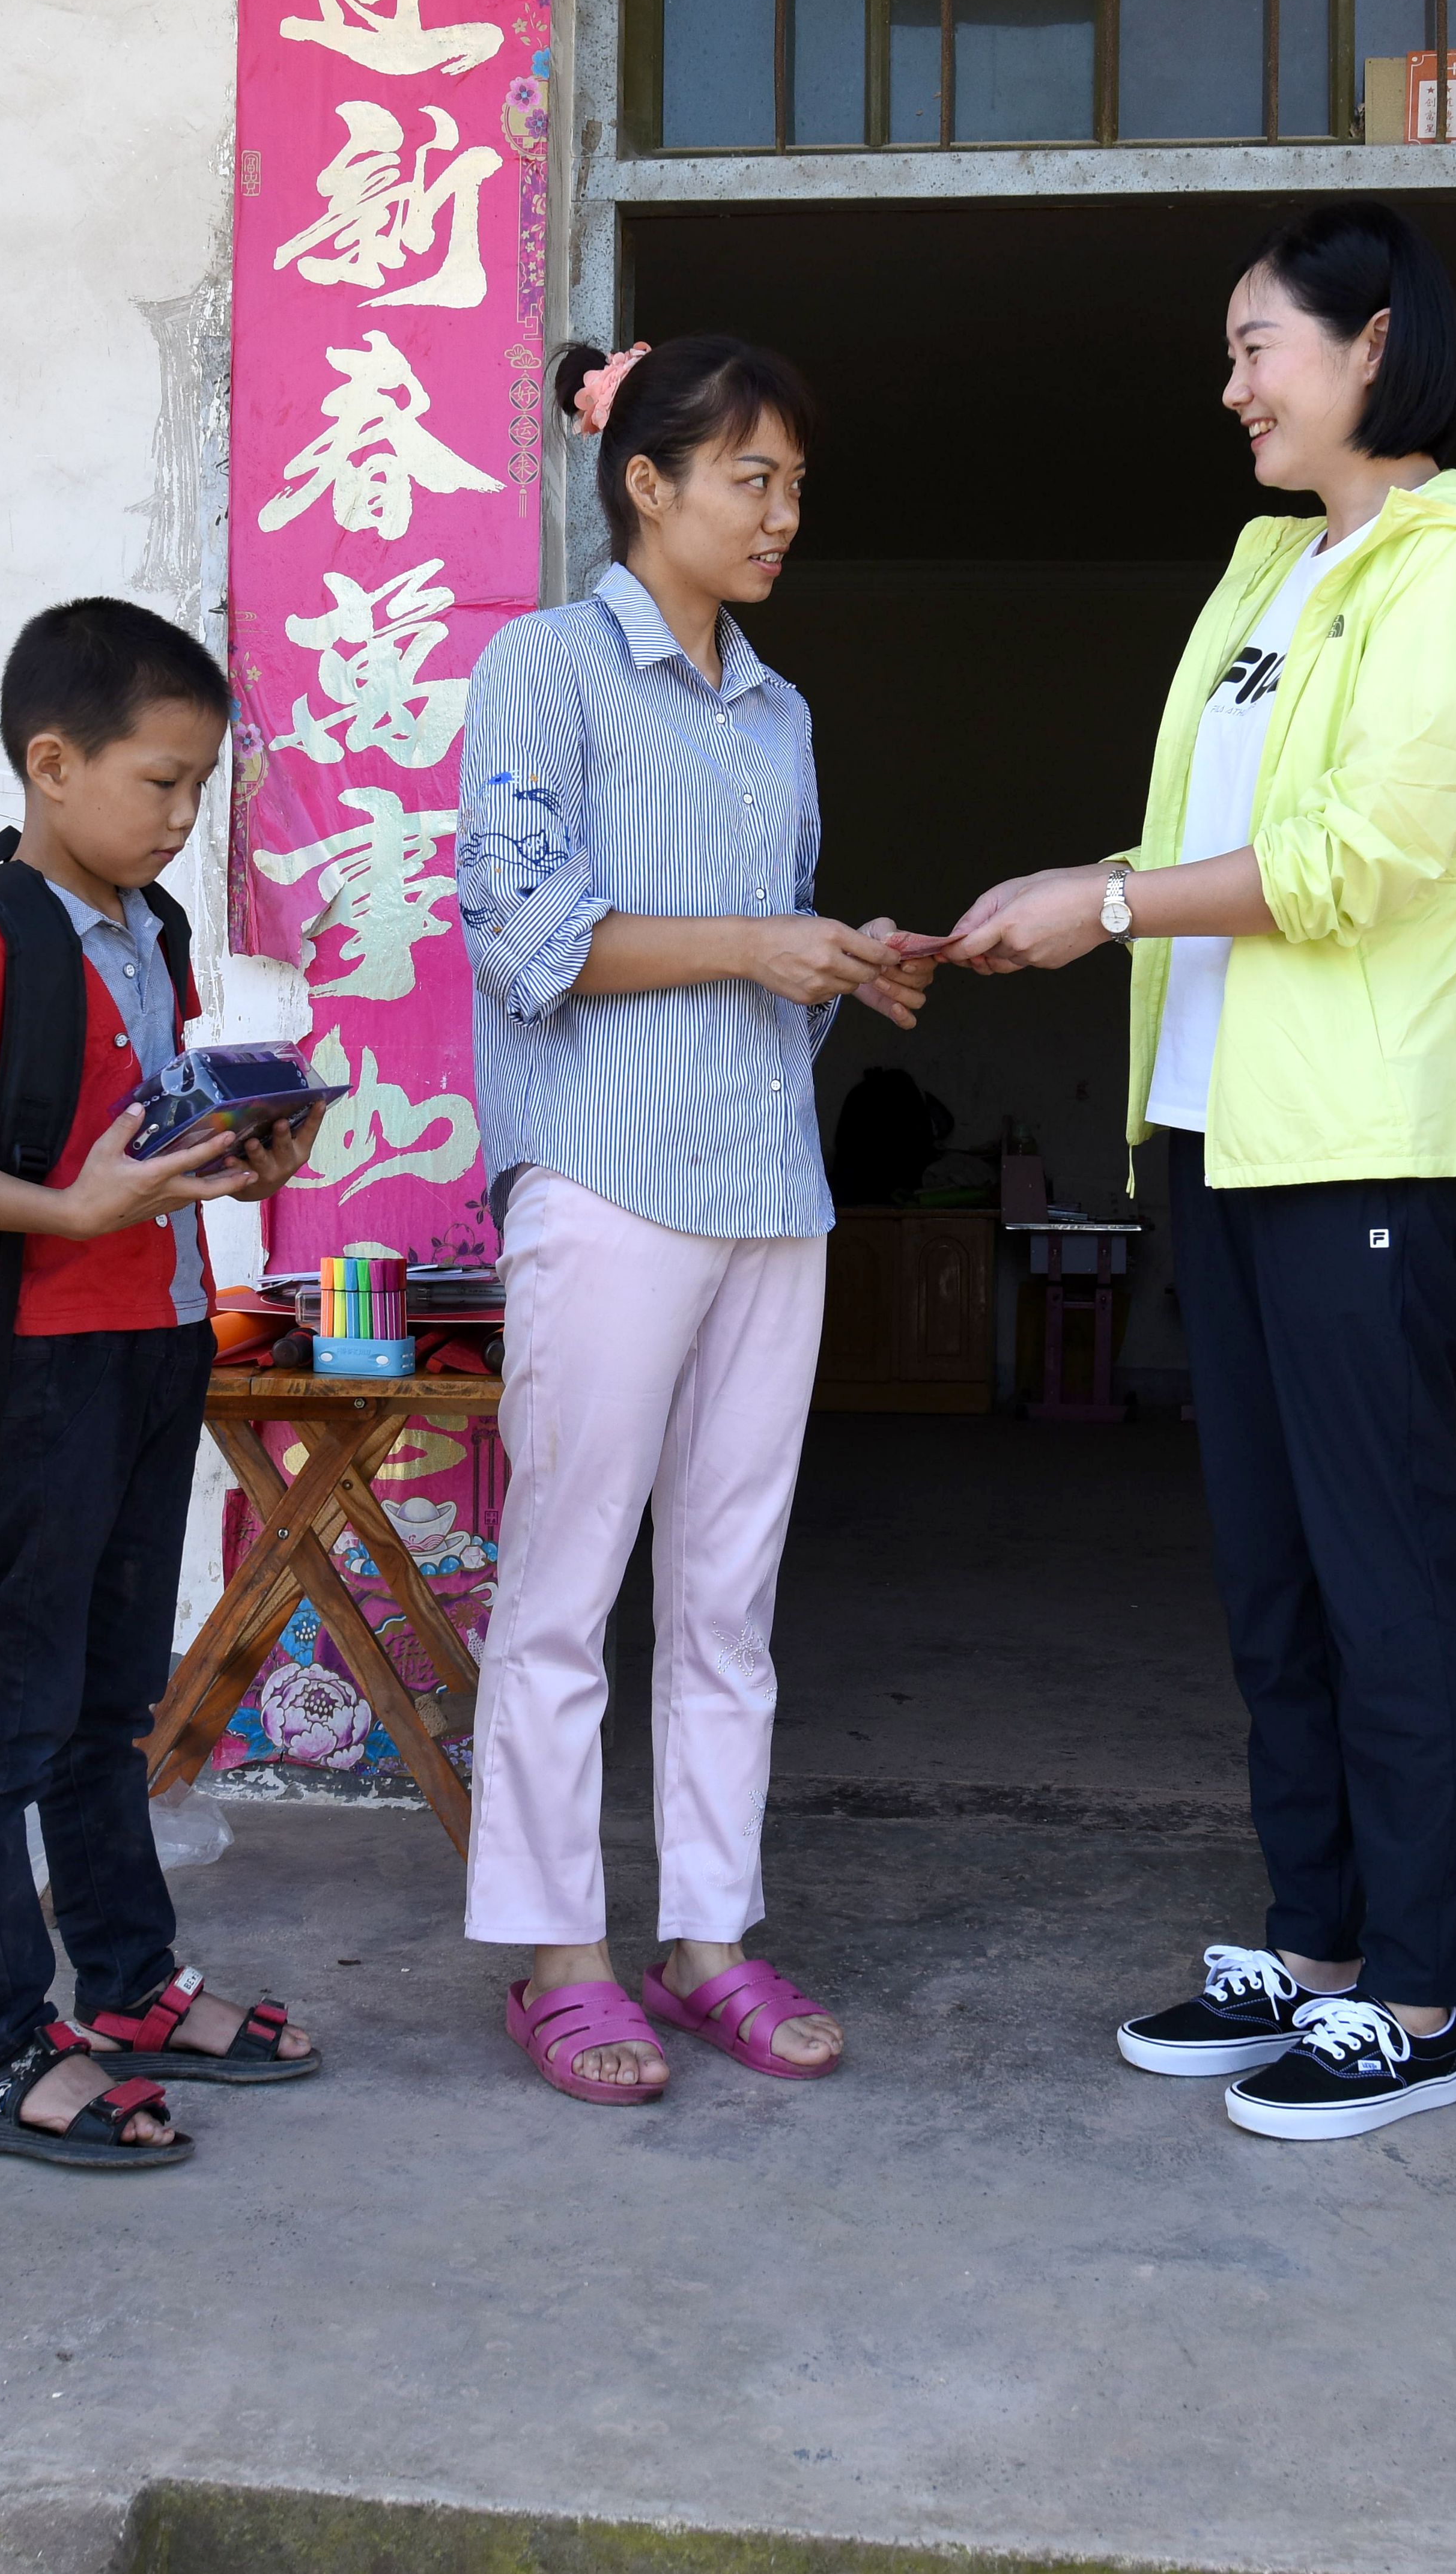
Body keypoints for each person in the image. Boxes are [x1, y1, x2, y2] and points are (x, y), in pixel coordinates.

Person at [945, 202, 1456, 2140]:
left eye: (1258, 346)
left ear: (1371, 345)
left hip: (1366, 1134)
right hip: (1226, 1127)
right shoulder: (1270, 577)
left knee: (1387, 1563)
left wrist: (1097, 901)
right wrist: (1098, 908)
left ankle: (1420, 1991)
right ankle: (1313, 1944)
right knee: (1273, 1562)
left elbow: (1352, 865)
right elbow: (1227, 842)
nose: (1232, 386)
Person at [451, 334, 931, 2105]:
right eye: (754, 477)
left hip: (768, 1188)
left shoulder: (781, 708)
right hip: (607, 1176)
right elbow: (522, 926)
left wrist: (838, 962)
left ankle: (707, 1937)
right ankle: (559, 1955)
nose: (784, 512)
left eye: (798, 483)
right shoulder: (548, 670)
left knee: (731, 1597)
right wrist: (750, 944)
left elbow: (761, 951)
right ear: (644, 484)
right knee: (567, 1587)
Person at [0, 598, 327, 2167]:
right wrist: (74, 1208)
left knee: (109, 1702)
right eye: (159, 781)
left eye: (203, 785)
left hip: (159, 1345)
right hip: (41, 1370)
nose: (183, 815)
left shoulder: (155, 933)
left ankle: (128, 1987)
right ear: (51, 764)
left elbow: (146, 1127)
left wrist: (246, 1148)